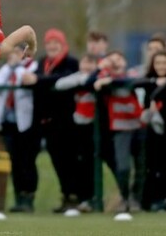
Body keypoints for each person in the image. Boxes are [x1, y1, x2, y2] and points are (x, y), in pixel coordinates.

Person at [21, 28, 80, 213]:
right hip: (44, 120)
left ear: (63, 45)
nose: (52, 46)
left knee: (67, 160)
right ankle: (65, 195)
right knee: (55, 160)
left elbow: (62, 79)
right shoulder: (42, 63)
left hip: (64, 120)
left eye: (56, 43)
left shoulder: (71, 62)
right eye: (49, 43)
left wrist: (37, 80)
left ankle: (73, 196)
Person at [91, 51, 144, 213]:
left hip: (140, 125)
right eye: (112, 60)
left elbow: (133, 81)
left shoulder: (132, 74)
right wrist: (100, 71)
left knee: (142, 167)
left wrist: (111, 80)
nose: (116, 63)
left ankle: (136, 199)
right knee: (123, 167)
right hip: (120, 127)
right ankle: (125, 197)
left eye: (119, 59)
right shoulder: (103, 79)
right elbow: (91, 83)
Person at [0, 44, 38, 212]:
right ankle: (19, 198)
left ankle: (28, 197)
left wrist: (17, 66)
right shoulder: (7, 69)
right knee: (15, 162)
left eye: (19, 53)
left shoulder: (32, 67)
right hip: (8, 121)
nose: (15, 56)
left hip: (26, 123)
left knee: (27, 161)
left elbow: (24, 80)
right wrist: (10, 66)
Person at [133, 50, 166, 211]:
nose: (161, 66)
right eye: (158, 63)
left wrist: (157, 93)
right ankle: (150, 199)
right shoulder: (148, 82)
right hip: (152, 131)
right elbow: (135, 84)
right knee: (151, 164)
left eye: (164, 63)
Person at [54, 53, 102, 212]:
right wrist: (82, 79)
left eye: (91, 64)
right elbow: (60, 84)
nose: (87, 67)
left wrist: (91, 78)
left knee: (92, 163)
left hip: (96, 127)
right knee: (80, 163)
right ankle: (84, 199)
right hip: (79, 126)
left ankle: (94, 198)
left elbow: (93, 82)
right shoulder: (77, 77)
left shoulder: (100, 77)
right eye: (85, 62)